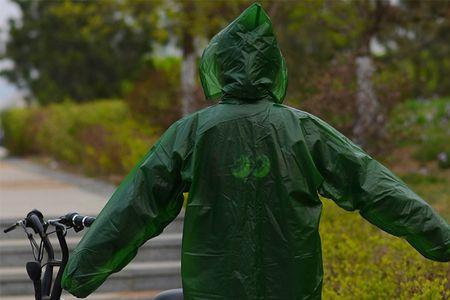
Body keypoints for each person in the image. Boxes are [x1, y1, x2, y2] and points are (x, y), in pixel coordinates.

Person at [62, 3, 450, 299]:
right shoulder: (304, 130)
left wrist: (80, 272)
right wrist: (442, 239)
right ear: (274, 66)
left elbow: (136, 206)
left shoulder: (192, 132)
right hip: (292, 288)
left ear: (219, 65)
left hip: (214, 288)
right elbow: (376, 187)